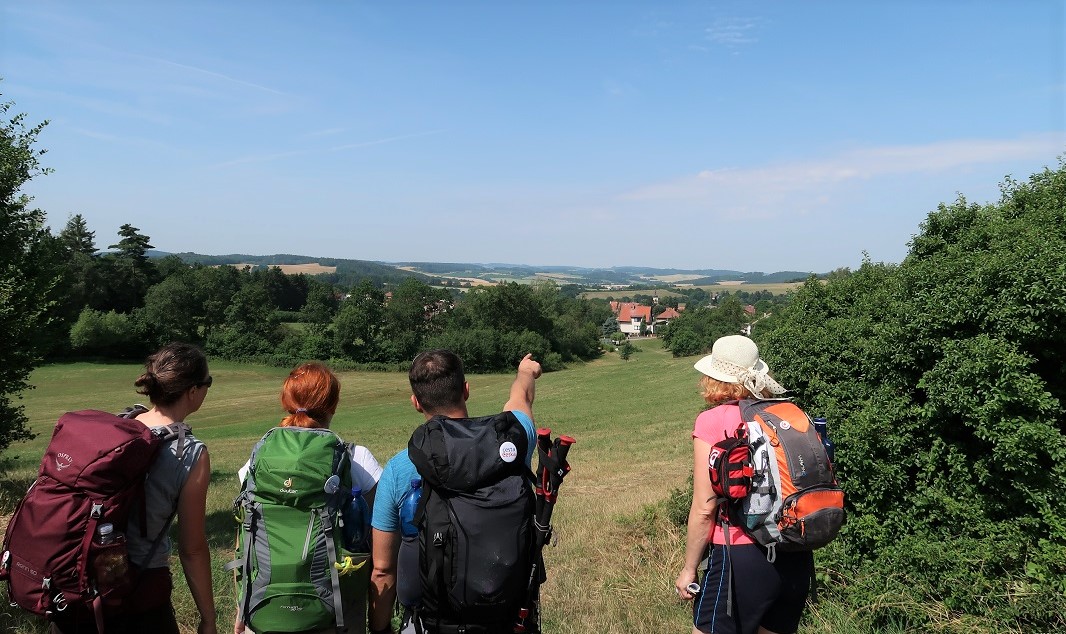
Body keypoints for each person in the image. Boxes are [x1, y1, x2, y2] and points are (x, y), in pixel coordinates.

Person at [368, 350, 542, 634]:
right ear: (466, 390)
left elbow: (383, 570)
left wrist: (379, 629)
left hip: (433, 623)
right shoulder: (509, 448)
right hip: (509, 620)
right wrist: (525, 372)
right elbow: (521, 399)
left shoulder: (401, 468)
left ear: (415, 403)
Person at [52, 342, 218, 634]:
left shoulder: (119, 424)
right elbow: (191, 549)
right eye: (208, 383)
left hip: (74, 586)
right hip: (138, 596)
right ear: (193, 391)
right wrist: (208, 618)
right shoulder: (190, 454)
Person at [674, 335, 814, 634]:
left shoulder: (712, 421)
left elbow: (704, 508)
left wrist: (689, 570)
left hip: (740, 558)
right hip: (795, 553)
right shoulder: (786, 413)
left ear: (713, 378)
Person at [234, 362, 382, 634]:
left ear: (286, 402)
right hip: (336, 612)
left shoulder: (260, 459)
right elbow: (380, 534)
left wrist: (241, 606)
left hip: (264, 609)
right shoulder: (355, 458)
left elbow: (246, 533)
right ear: (333, 404)